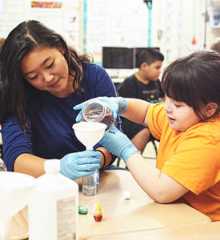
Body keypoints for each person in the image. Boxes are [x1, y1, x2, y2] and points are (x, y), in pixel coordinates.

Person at [74, 50, 220, 221]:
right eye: (166, 98)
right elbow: (146, 112)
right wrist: (119, 104)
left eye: (178, 104)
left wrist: (126, 149)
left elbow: (161, 191)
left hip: (206, 224)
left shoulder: (209, 139)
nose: (167, 107)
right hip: (179, 213)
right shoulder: (182, 118)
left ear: (209, 109)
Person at [0, 20, 117, 179]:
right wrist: (58, 167)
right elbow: (16, 158)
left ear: (61, 48)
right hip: (46, 185)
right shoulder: (21, 96)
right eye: (33, 76)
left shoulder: (94, 78)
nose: (47, 78)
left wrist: (99, 159)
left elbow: (114, 136)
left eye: (49, 64)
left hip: (98, 180)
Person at [118, 48, 164, 152]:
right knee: (144, 132)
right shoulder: (129, 84)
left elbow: (165, 99)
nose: (159, 71)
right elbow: (124, 112)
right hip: (131, 122)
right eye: (157, 67)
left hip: (151, 119)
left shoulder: (156, 82)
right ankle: (132, 164)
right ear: (144, 66)